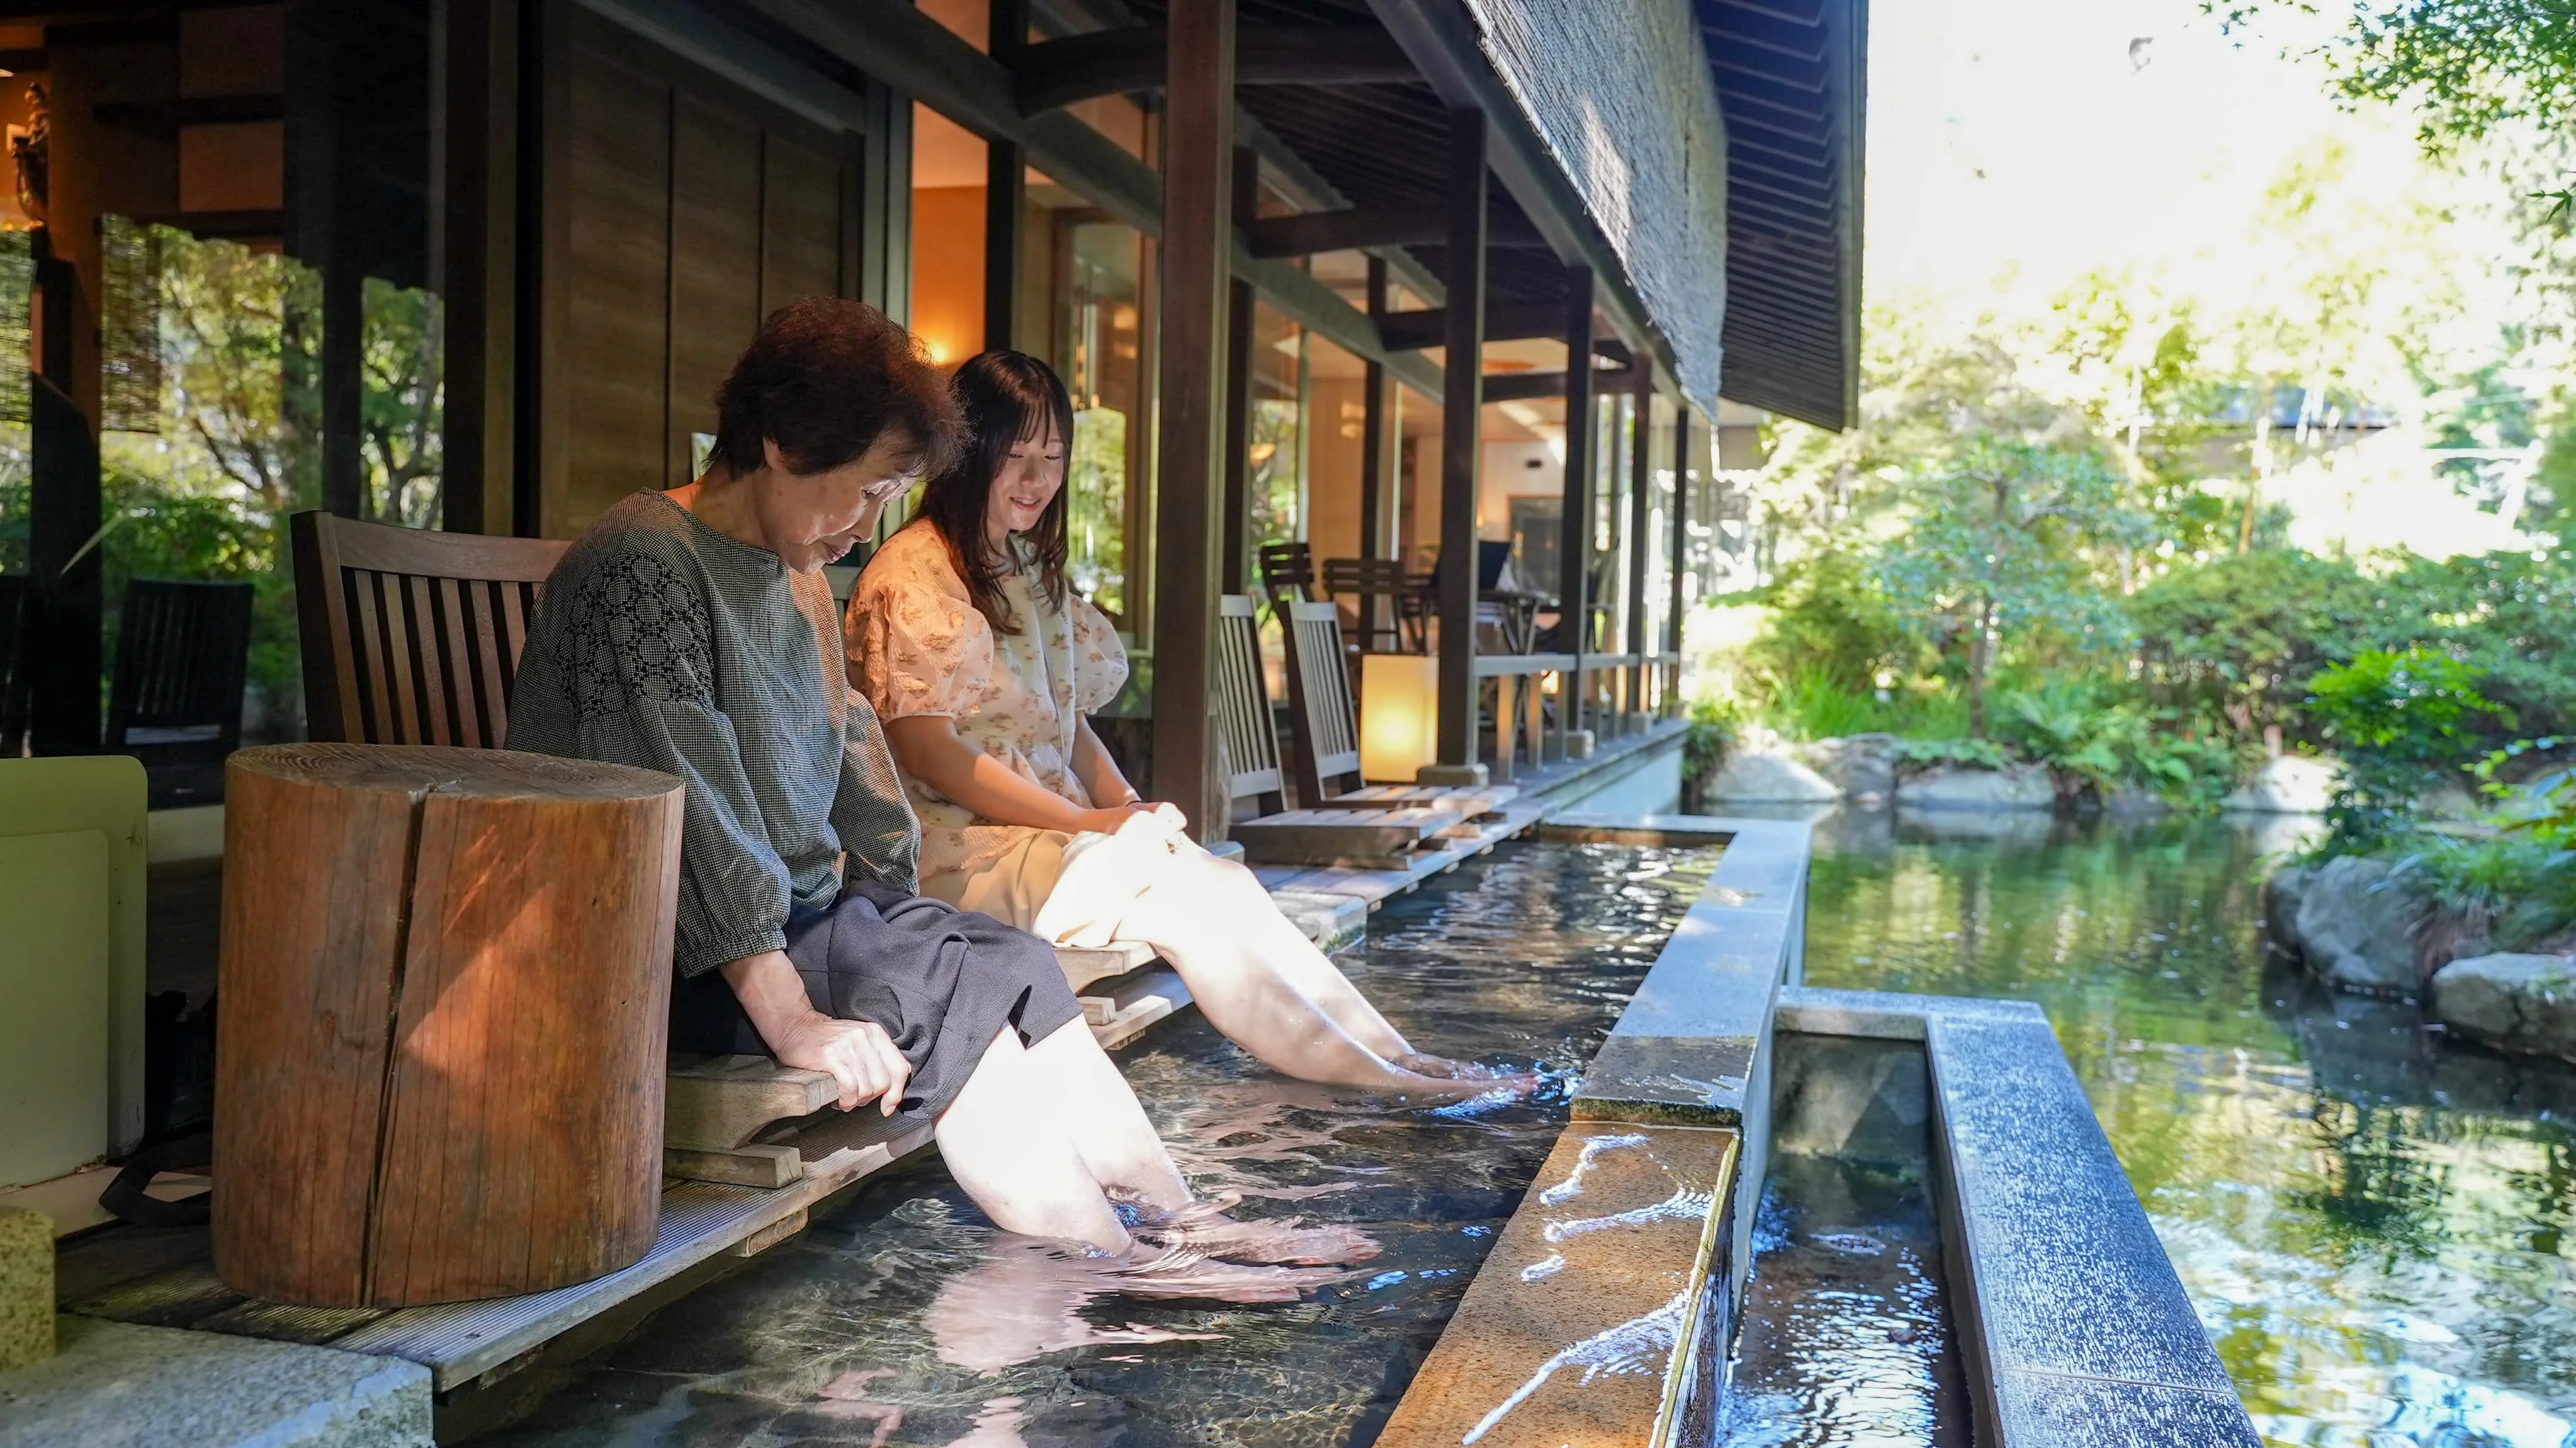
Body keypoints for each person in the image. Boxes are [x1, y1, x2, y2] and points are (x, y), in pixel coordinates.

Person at [506, 301, 1363, 1284]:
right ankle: (1116, 1261)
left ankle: (1175, 1218)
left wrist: (892, 892)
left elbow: (849, 744)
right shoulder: (645, 567)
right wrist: (796, 1021)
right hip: (665, 946)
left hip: (790, 919)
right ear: (780, 444)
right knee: (937, 995)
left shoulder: (791, 565)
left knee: (1009, 959)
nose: (868, 524)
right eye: (865, 491)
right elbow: (694, 811)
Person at [846, 349, 1523, 1099]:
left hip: (1048, 839)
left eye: (1053, 458)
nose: (1037, 481)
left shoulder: (1027, 571)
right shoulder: (913, 575)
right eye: (1015, 458)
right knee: (1180, 906)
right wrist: (1088, 820)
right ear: (967, 455)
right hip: (957, 853)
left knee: (1221, 878)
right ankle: (1376, 1080)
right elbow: (928, 750)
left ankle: (1396, 1056)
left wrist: (1128, 808)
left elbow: (1065, 724)